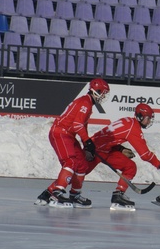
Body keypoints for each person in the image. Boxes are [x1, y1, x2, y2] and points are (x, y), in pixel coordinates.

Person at [35, 78, 110, 208]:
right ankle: (57, 193)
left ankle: (72, 195)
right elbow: (77, 125)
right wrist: (87, 141)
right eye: (103, 93)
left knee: (82, 164)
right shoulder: (85, 103)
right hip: (61, 133)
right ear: (96, 91)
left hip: (69, 135)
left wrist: (86, 144)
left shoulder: (87, 103)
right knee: (71, 162)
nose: (104, 97)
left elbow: (82, 126)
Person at [86, 103, 160, 211]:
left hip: (102, 149)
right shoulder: (134, 128)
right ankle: (63, 191)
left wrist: (120, 148)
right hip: (96, 150)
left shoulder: (128, 120)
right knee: (79, 170)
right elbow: (145, 154)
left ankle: (118, 195)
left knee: (130, 167)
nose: (149, 121)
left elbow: (110, 137)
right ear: (140, 117)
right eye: (148, 118)